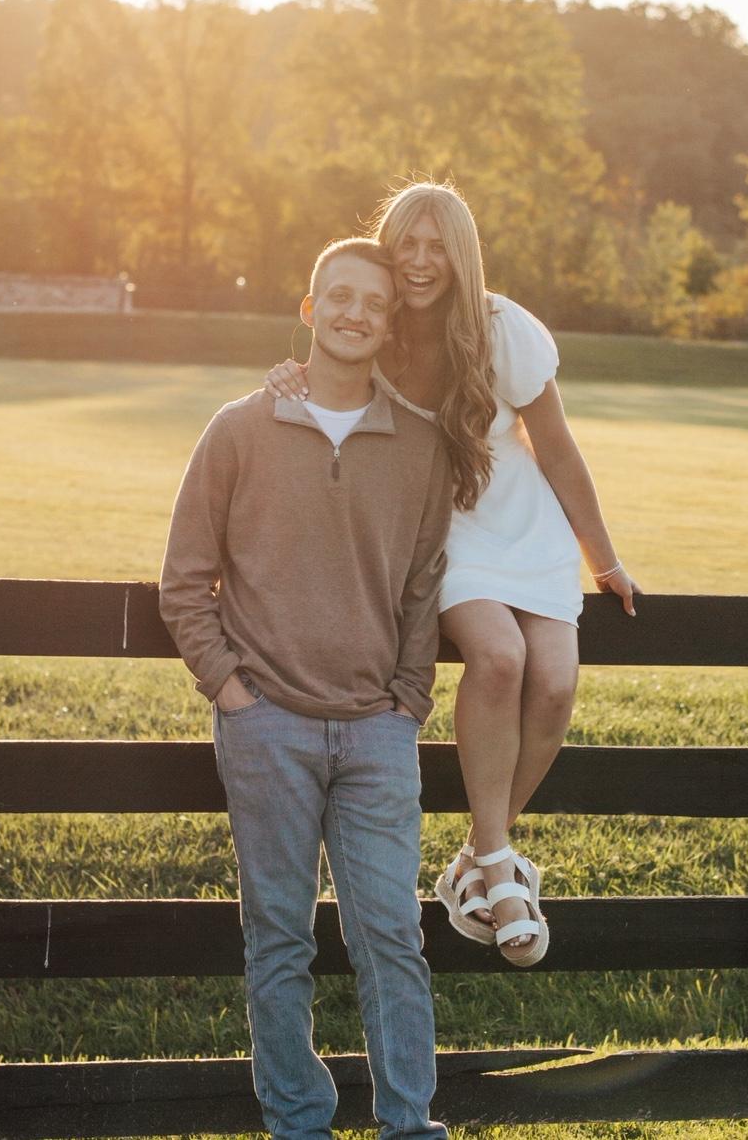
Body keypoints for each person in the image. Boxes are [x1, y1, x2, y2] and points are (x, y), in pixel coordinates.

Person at [265, 181, 639, 967]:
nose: (422, 261)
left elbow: (559, 451)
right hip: (444, 528)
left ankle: (478, 859)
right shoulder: (379, 324)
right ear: (390, 248)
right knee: (499, 658)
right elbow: (321, 371)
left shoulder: (505, 331)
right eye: (409, 244)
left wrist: (602, 556)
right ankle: (502, 875)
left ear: (462, 255)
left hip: (523, 523)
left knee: (557, 683)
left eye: (439, 247)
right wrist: (284, 381)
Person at [160, 237, 452, 1139]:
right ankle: (297, 1124)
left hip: (377, 734)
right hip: (267, 729)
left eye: (373, 300)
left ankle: (411, 1126)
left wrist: (409, 701)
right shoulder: (240, 428)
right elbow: (184, 582)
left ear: (389, 317)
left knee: (392, 941)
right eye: (339, 296)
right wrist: (232, 692)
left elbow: (422, 588)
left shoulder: (421, 442)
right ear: (309, 307)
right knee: (278, 940)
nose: (356, 312)